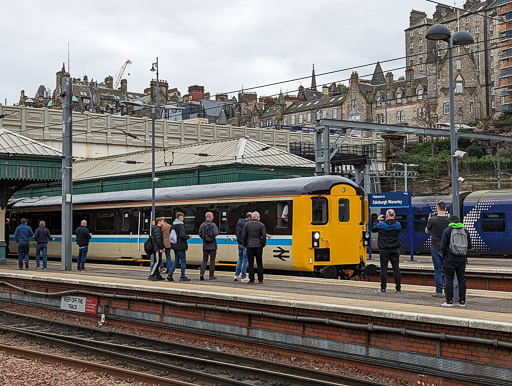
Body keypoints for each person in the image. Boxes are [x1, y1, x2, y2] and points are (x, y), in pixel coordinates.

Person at [440, 215, 472, 307]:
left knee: (449, 280)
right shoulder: (465, 231)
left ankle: (449, 301)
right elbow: (469, 246)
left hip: (449, 259)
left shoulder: (447, 231)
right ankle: (462, 301)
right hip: (462, 260)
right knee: (461, 279)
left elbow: (442, 246)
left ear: (450, 221)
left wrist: (445, 254)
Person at [372, 209, 402, 293]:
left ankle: (383, 288)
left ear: (387, 215)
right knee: (396, 268)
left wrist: (377, 220)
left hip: (384, 250)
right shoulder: (398, 225)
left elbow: (373, 228)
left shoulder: (381, 225)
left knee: (384, 269)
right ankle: (398, 288)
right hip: (395, 249)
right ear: (394, 215)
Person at [425, 201, 450, 298]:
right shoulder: (449, 220)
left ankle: (439, 291)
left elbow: (427, 231)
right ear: (445, 209)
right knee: (447, 270)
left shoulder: (432, 220)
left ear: (437, 208)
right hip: (446, 248)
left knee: (438, 270)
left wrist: (428, 220)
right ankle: (448, 291)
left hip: (435, 248)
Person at [243, 210, 267, 284]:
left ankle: (252, 279)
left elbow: (244, 236)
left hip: (250, 246)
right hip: (259, 246)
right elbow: (263, 236)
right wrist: (263, 244)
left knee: (251, 263)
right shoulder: (261, 225)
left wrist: (245, 245)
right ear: (258, 217)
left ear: (252, 217)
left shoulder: (247, 225)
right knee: (259, 263)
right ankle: (260, 279)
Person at [167, 212, 191, 282]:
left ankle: (170, 274)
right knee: (183, 260)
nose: (183, 219)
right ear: (180, 217)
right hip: (180, 245)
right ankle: (182, 276)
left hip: (174, 245)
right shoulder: (181, 225)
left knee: (176, 260)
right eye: (182, 217)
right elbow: (182, 235)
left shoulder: (173, 225)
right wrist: (188, 236)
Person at [198, 212, 219, 280]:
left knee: (204, 260)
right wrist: (211, 237)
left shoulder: (202, 225)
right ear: (210, 217)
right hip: (212, 245)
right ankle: (211, 275)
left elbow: (200, 234)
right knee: (212, 261)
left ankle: (201, 274)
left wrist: (205, 238)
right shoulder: (213, 225)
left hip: (205, 245)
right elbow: (216, 233)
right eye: (212, 216)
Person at [234, 212, 252, 282]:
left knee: (240, 259)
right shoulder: (247, 224)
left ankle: (236, 275)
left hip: (239, 243)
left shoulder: (239, 223)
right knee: (245, 260)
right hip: (245, 244)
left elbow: (236, 232)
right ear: (249, 217)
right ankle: (243, 276)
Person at [148, 217, 166, 281]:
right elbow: (158, 240)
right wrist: (161, 248)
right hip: (157, 248)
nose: (164, 222)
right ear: (159, 222)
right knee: (157, 261)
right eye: (163, 221)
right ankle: (152, 274)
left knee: (159, 261)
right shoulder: (157, 230)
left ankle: (157, 275)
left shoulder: (157, 229)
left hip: (157, 247)